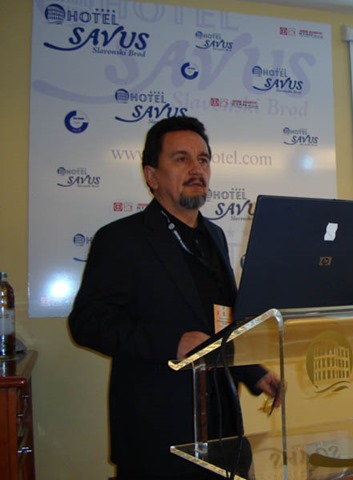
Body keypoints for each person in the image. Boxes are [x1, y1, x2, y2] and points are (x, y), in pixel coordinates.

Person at [68, 116, 281, 480]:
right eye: (181, 159)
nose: (196, 169)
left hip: (221, 427)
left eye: (203, 159)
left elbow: (221, 322)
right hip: (156, 435)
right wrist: (171, 342)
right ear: (152, 176)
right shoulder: (121, 239)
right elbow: (87, 323)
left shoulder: (214, 235)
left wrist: (253, 372)